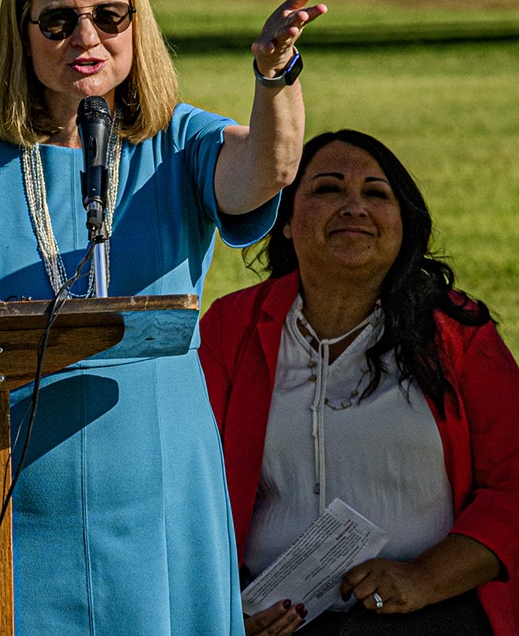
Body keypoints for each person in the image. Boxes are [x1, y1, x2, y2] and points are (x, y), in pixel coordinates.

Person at [0, 0, 326, 635]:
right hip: (3, 508)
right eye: (59, 19)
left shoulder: (179, 141)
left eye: (110, 16)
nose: (87, 37)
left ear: (137, 27)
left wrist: (276, 75)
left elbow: (269, 168)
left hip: (157, 496)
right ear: (22, 33)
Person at [199, 129, 519, 636]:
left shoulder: (458, 331)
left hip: (429, 612)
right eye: (328, 189)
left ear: (401, 223)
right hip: (275, 617)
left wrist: (423, 579)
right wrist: (230, 610)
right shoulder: (230, 328)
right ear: (285, 222)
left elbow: (513, 486)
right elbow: (187, 487)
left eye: (376, 193)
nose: (355, 207)